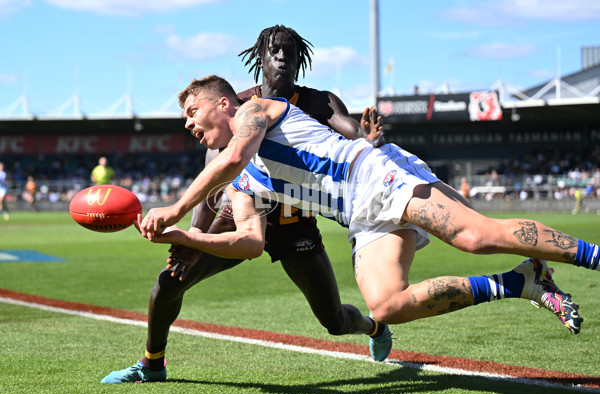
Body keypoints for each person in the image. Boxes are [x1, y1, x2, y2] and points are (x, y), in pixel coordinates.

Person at [141, 75, 591, 348]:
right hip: (360, 213)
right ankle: (521, 282)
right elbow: (250, 243)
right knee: (386, 303)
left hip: (375, 176)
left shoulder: (253, 111)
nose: (187, 123)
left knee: (475, 236)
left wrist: (179, 208)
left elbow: (235, 156)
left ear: (223, 103)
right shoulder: (243, 180)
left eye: (192, 111)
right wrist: (184, 238)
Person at [101, 26, 388, 384]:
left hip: (295, 223)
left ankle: (374, 327)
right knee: (171, 280)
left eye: (290, 52)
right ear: (259, 58)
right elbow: (215, 174)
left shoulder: (318, 101)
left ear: (301, 61)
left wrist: (369, 140)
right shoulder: (235, 107)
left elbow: (350, 131)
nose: (282, 58)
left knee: (334, 320)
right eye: (275, 51)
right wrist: (192, 236)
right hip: (241, 211)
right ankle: (151, 364)